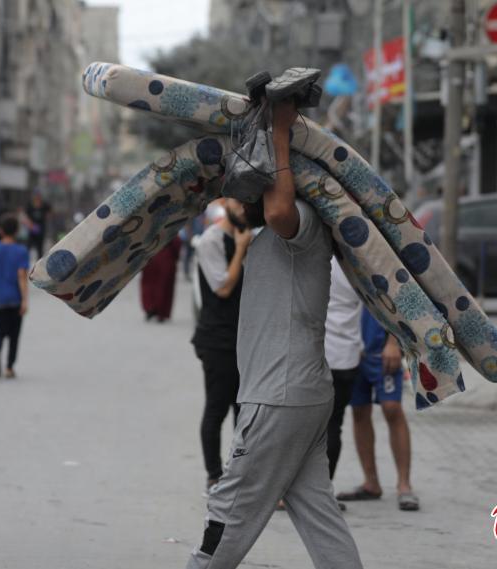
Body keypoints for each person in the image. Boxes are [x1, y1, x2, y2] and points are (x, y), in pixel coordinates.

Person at [187, 100, 363, 569]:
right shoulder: (266, 238)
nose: (234, 201)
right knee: (320, 517)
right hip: (296, 394)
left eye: (244, 191)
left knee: (227, 515)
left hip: (278, 397)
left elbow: (281, 207)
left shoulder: (300, 224)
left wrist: (279, 131)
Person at [191, 198, 251, 491]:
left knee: (245, 411)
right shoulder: (211, 241)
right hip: (217, 339)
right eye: (239, 203)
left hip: (245, 339)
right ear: (226, 203)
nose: (244, 209)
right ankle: (214, 475)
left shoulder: (249, 236)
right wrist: (240, 249)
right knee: (217, 409)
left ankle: (240, 473)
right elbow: (223, 287)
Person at [336, 309, 419, 511]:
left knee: (392, 409)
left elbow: (395, 299)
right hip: (352, 351)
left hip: (382, 350)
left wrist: (393, 342)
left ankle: (404, 485)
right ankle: (371, 483)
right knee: (359, 411)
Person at [323, 257, 363, 481]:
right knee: (333, 425)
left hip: (317, 355)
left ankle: (303, 490)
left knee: (306, 428)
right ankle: (325, 488)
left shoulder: (315, 257)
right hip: (347, 355)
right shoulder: (355, 262)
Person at [0, 216, 30, 379]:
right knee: (14, 336)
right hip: (14, 299)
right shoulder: (21, 251)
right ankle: (9, 368)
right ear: (17, 231)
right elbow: (21, 276)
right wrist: (24, 300)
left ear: (0, 230)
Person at [140, 236, 182, 322]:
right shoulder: (170, 230)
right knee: (163, 286)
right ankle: (160, 310)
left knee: (148, 284)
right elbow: (176, 243)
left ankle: (150, 306)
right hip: (166, 257)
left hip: (150, 257)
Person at [25, 192, 51, 261]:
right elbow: (27, 216)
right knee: (29, 245)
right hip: (32, 227)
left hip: (41, 227)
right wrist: (29, 224)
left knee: (40, 247)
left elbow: (50, 212)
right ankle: (26, 259)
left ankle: (39, 260)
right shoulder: (30, 205)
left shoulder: (44, 205)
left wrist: (47, 216)